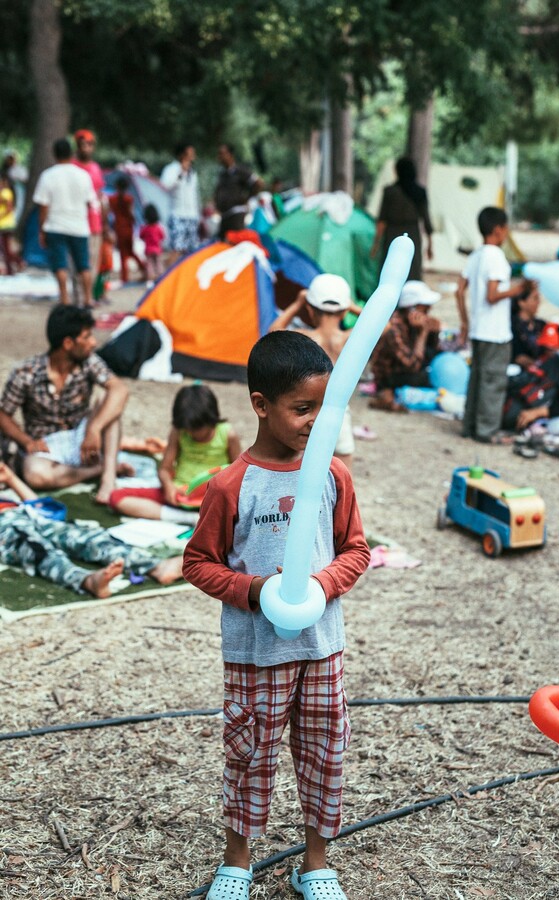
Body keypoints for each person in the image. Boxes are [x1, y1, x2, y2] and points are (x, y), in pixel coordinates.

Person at [182, 331, 371, 900]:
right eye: (303, 408)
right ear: (261, 405)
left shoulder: (335, 475)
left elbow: (356, 550)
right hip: (256, 654)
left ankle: (315, 864)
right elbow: (197, 563)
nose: (317, 421)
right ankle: (236, 863)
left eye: (324, 407)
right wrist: (254, 590)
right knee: (249, 757)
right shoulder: (230, 485)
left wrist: (320, 585)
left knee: (323, 753)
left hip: (321, 648)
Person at [0, 305, 129, 504]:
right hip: (46, 446)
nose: (93, 343)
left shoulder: (89, 362)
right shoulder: (26, 373)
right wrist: (27, 441)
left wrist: (94, 429)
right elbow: (3, 415)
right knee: (35, 475)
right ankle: (99, 469)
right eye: (87, 337)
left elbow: (120, 389)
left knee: (110, 402)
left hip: (83, 436)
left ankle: (108, 479)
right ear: (68, 343)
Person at [0, 461, 183, 599]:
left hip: (29, 516)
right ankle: (86, 581)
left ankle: (156, 566)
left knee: (86, 538)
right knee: (39, 551)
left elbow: (39, 505)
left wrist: (11, 478)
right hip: (8, 530)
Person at [109, 384, 241, 523]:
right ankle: (188, 519)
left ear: (211, 419)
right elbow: (164, 469)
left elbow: (238, 474)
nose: (192, 433)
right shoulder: (179, 432)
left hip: (212, 499)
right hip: (179, 496)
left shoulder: (228, 435)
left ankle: (202, 517)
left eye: (197, 429)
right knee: (116, 498)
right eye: (188, 429)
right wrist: (169, 487)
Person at [269, 273, 360, 471]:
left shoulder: (306, 338)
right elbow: (382, 325)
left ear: (310, 310)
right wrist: (351, 306)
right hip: (338, 409)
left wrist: (297, 303)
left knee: (305, 460)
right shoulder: (347, 339)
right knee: (343, 461)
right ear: (344, 312)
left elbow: (274, 332)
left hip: (309, 409)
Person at [456, 207, 526, 443]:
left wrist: (465, 322)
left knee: (477, 379)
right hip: (495, 332)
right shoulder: (495, 256)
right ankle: (487, 431)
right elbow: (492, 295)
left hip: (478, 329)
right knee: (493, 381)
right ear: (498, 229)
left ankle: (470, 425)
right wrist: (517, 290)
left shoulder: (475, 255)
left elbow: (459, 291)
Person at [32, 138, 97, 307]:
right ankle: (88, 298)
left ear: (54, 154)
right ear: (72, 152)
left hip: (56, 226)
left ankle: (65, 299)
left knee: (60, 265)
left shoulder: (48, 176)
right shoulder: (83, 176)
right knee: (84, 265)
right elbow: (91, 202)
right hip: (79, 226)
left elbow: (43, 206)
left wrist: (41, 229)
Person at [369, 280, 441, 412]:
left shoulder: (411, 324)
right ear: (411, 308)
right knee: (431, 376)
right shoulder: (394, 329)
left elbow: (432, 352)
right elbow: (412, 365)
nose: (429, 310)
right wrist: (423, 334)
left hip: (404, 370)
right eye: (424, 307)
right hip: (389, 377)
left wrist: (434, 333)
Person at [370, 156, 433, 281]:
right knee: (412, 269)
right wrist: (430, 244)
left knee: (390, 270)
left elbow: (382, 220)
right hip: (413, 235)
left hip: (392, 234)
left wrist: (376, 243)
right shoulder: (420, 192)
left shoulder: (390, 192)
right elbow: (426, 219)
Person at [73, 129, 105, 284]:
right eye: (83, 144)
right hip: (76, 221)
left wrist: (105, 224)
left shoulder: (95, 168)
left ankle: (89, 297)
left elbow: (100, 196)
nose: (86, 148)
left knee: (93, 260)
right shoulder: (72, 167)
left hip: (94, 222)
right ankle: (78, 297)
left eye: (89, 144)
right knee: (77, 261)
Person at [160, 143, 200, 264]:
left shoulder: (193, 173)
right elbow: (165, 186)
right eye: (189, 154)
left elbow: (195, 196)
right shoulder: (171, 169)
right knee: (176, 249)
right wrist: (180, 173)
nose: (192, 157)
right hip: (178, 214)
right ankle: (169, 278)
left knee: (191, 251)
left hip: (192, 216)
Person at [214, 143, 263, 239]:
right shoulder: (222, 175)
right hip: (225, 216)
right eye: (219, 154)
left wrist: (246, 198)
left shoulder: (240, 171)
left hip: (237, 215)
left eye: (222, 154)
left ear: (230, 155)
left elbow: (258, 183)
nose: (220, 157)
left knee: (237, 241)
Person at [108, 174, 146, 283]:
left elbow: (110, 212)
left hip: (118, 228)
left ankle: (125, 277)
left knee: (123, 254)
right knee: (130, 251)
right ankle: (143, 268)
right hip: (128, 228)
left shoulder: (112, 199)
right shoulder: (129, 199)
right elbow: (131, 213)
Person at [511, 281, 546, 368]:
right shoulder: (512, 325)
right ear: (521, 302)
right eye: (535, 298)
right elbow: (517, 356)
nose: (538, 302)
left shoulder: (542, 325)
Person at [0, 171, 20, 275]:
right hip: (3, 224)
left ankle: (13, 267)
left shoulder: (6, 193)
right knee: (5, 248)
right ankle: (16, 264)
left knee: (7, 249)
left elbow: (9, 208)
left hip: (6, 224)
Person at [139, 203, 165, 283]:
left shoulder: (145, 228)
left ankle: (150, 278)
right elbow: (162, 236)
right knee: (158, 262)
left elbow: (141, 236)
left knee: (149, 264)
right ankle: (161, 277)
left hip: (148, 249)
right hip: (157, 248)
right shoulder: (158, 227)